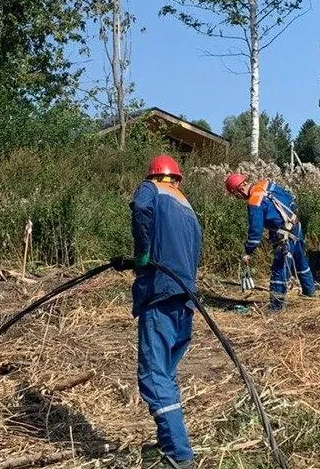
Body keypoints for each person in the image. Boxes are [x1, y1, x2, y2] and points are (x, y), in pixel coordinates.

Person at [130, 154, 202, 469]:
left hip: (159, 295)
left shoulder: (151, 189)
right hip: (184, 301)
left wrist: (142, 253)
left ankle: (179, 455)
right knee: (166, 375)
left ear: (156, 175)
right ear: (177, 179)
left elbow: (141, 209)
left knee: (153, 376)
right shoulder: (189, 209)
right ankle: (166, 445)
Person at [224, 172, 317, 311]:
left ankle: (276, 307)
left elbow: (255, 232)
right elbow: (290, 198)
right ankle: (310, 293)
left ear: (239, 189)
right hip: (296, 226)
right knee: (300, 261)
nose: (238, 198)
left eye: (236, 195)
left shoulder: (254, 202)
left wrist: (248, 251)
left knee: (279, 269)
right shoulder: (265, 184)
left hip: (284, 236)